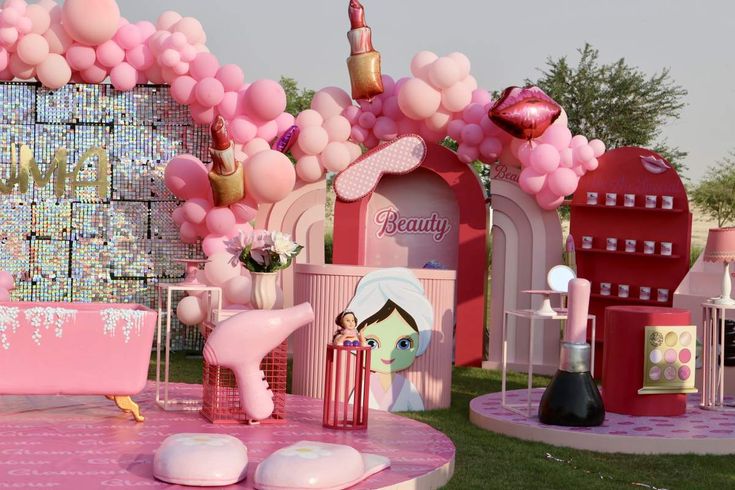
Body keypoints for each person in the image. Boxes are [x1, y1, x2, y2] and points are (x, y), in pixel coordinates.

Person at [345, 268, 433, 411]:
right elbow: (351, 409)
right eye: (372, 343)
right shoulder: (364, 386)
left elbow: (419, 414)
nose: (387, 352)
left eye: (403, 344)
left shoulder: (407, 388)